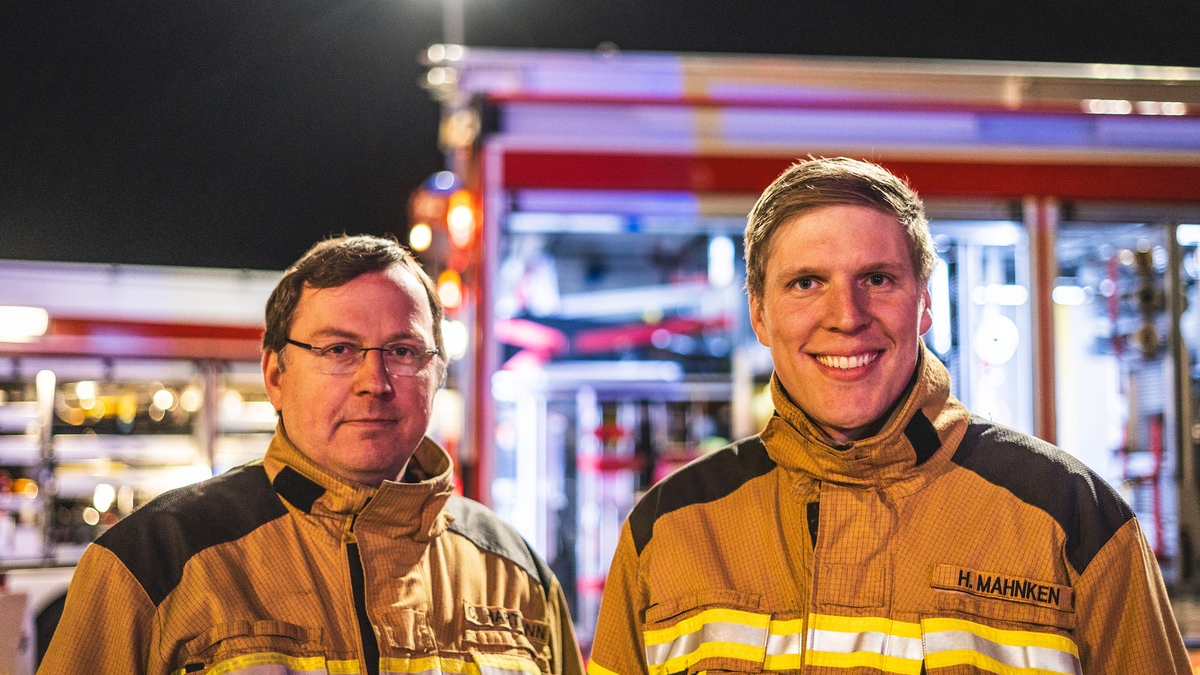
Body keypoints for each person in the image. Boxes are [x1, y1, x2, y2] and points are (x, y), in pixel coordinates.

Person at [588, 157, 1190, 674]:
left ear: (925, 302)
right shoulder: (668, 532)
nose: (846, 315)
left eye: (877, 279)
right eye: (806, 282)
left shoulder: (1071, 520)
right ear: (760, 314)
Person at [40, 235, 586, 675]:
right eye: (338, 351)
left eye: (402, 351)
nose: (375, 382)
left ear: (438, 373)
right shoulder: (154, 562)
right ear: (275, 376)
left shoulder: (517, 574)